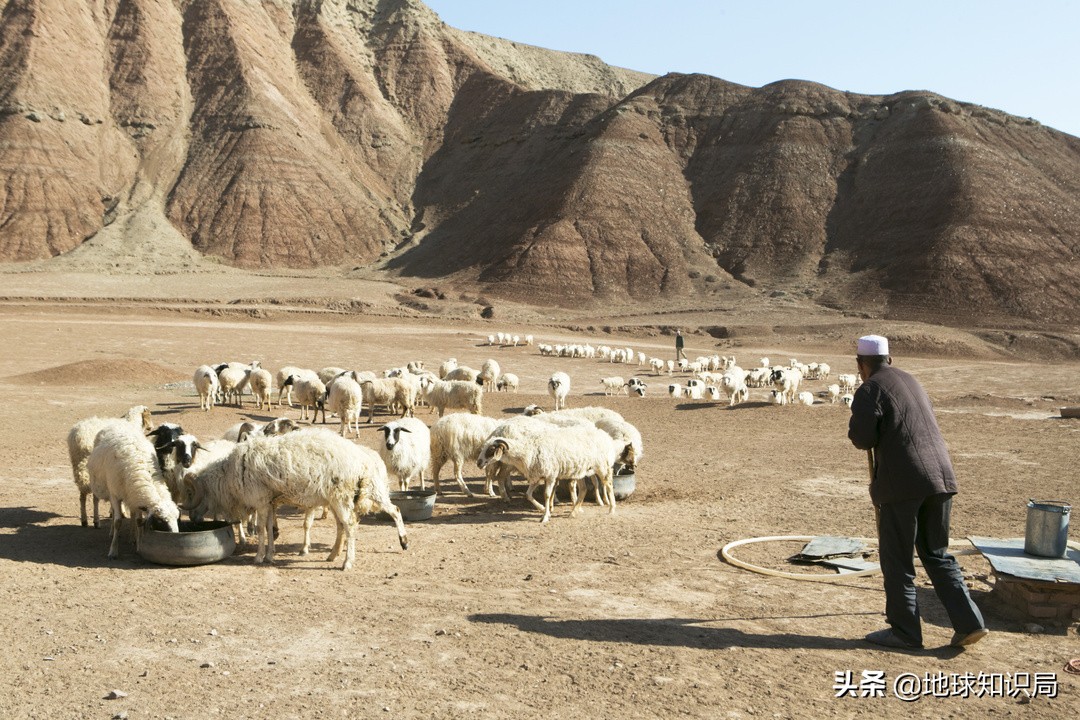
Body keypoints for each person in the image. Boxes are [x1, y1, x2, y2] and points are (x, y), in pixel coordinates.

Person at [847, 334, 988, 650]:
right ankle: (970, 623)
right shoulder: (910, 380)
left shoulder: (870, 388)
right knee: (936, 553)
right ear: (890, 360)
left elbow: (862, 438)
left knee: (897, 560)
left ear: (861, 365)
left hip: (904, 483)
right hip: (941, 478)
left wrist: (858, 426)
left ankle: (905, 632)